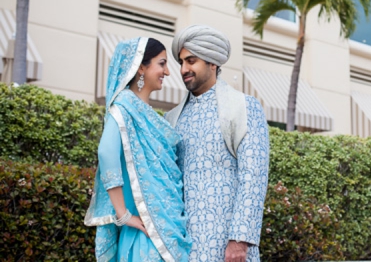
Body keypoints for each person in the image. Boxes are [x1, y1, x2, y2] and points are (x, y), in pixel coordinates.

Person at [165, 25, 270, 262]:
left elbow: (253, 176)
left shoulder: (243, 107)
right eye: (181, 62)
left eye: (191, 61)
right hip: (182, 245)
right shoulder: (172, 118)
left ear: (213, 62)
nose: (184, 69)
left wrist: (239, 241)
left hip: (227, 246)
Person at [85, 37, 191, 262]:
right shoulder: (123, 105)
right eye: (161, 63)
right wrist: (123, 215)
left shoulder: (148, 115)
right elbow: (106, 153)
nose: (168, 72)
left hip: (166, 224)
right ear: (141, 67)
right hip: (145, 232)